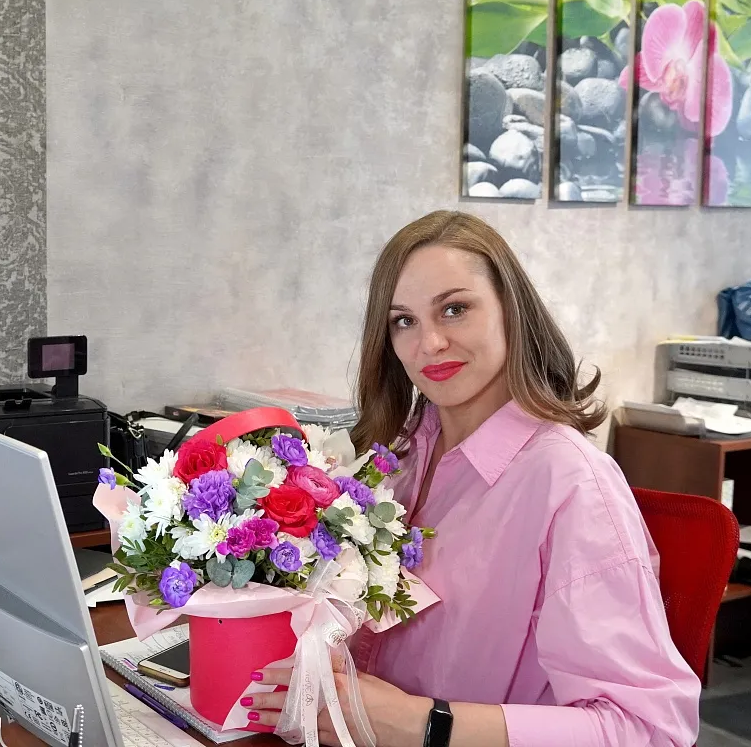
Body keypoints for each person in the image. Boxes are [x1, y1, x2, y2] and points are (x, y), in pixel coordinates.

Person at [246, 210, 701, 746]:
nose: (430, 343)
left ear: (512, 310)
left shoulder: (572, 485)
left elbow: (650, 731)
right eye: (403, 321)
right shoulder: (396, 458)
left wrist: (423, 724)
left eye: (455, 309)